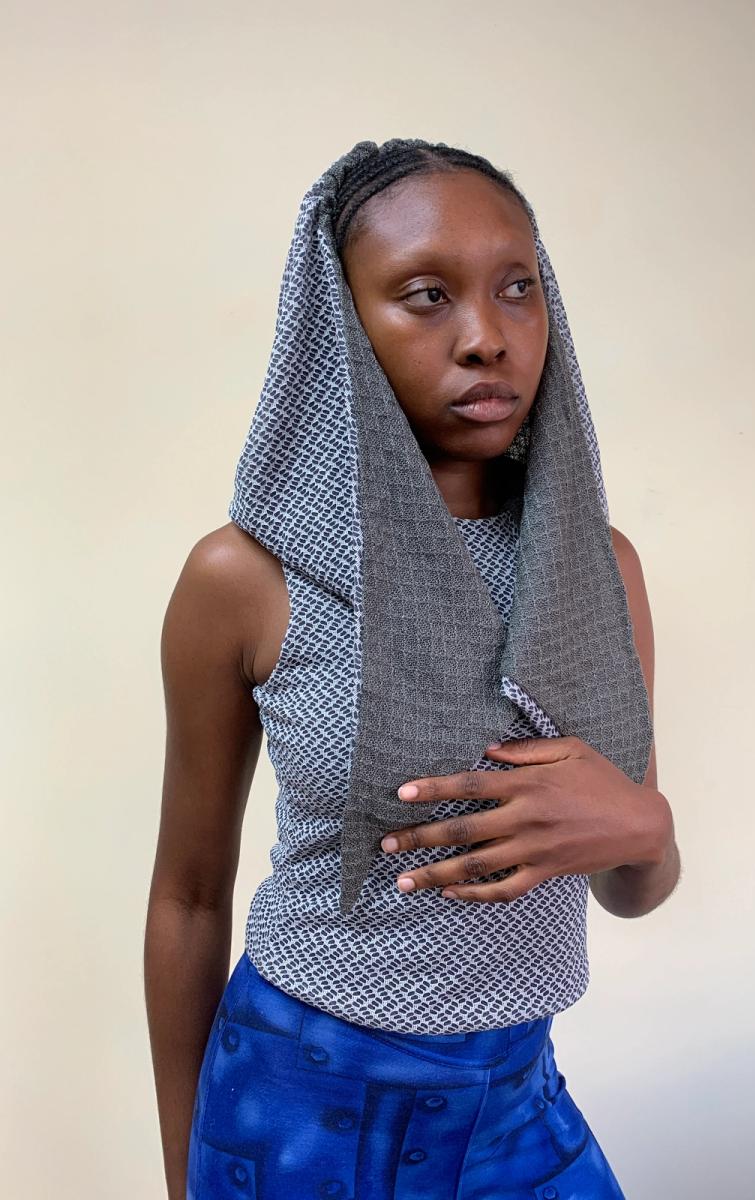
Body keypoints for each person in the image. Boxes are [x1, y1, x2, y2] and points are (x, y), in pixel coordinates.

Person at [145, 138, 681, 1200]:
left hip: (515, 1098)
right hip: (295, 1101)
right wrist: (186, 1172)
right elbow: (190, 898)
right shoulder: (247, 577)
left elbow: (633, 886)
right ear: (340, 323)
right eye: (427, 296)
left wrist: (648, 826)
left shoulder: (597, 569)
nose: (487, 337)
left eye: (517, 288)